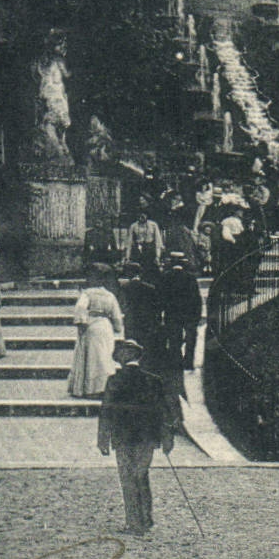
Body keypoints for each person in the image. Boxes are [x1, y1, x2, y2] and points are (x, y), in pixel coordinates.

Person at [97, 340, 180, 535]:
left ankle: (134, 522)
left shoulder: (114, 381)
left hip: (123, 438)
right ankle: (146, 518)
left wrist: (103, 439)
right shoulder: (153, 380)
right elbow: (164, 412)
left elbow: (106, 412)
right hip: (147, 437)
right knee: (141, 474)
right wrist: (167, 438)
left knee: (127, 478)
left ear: (124, 357)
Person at [67, 266, 124, 398]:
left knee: (92, 359)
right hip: (105, 327)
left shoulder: (87, 294)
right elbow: (116, 316)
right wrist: (117, 328)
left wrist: (81, 323)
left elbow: (80, 308)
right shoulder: (110, 295)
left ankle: (89, 388)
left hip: (91, 326)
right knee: (105, 356)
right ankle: (103, 387)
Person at [155, 252, 204, 371]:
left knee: (174, 337)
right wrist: (197, 315)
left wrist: (160, 313)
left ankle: (176, 362)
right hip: (189, 313)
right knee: (191, 338)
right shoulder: (190, 277)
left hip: (172, 313)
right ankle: (189, 362)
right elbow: (197, 298)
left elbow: (160, 297)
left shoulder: (165, 277)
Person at [124, 208, 164, 273]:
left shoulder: (153, 225)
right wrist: (127, 257)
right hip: (138, 250)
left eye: (142, 217)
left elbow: (158, 242)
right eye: (138, 217)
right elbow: (129, 243)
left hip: (150, 250)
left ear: (146, 216)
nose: (140, 218)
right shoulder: (133, 226)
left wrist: (157, 257)